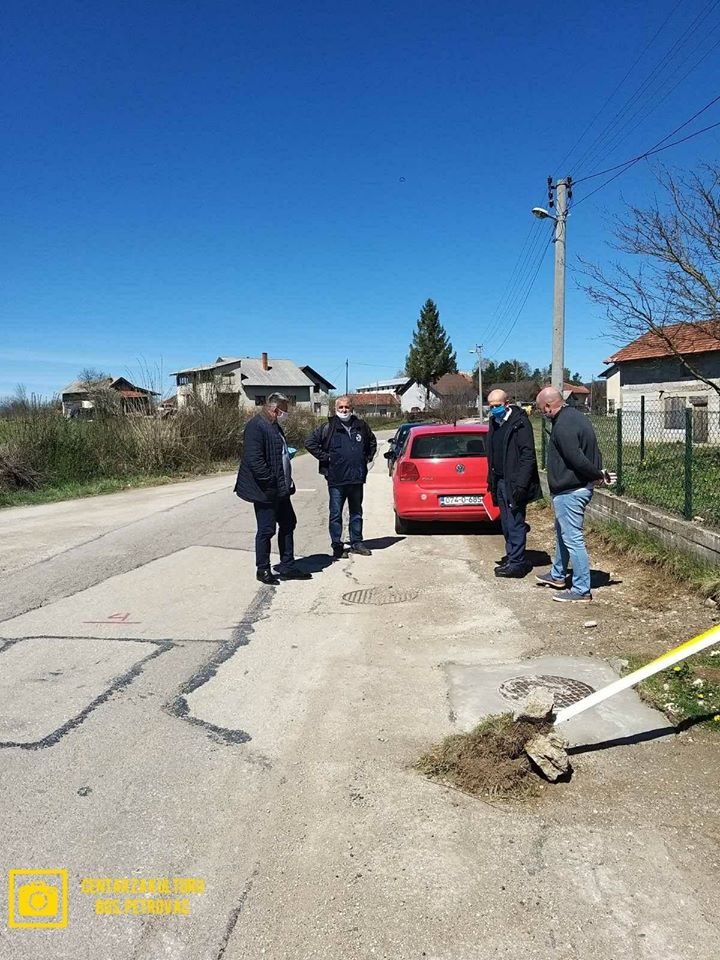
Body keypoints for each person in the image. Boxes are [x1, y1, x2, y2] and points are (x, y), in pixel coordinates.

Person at [535, 386, 612, 602]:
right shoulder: (576, 417)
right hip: (574, 488)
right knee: (563, 534)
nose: (542, 413)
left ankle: (581, 588)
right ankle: (558, 574)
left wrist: (596, 475)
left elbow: (575, 458)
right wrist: (596, 474)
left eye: (541, 409)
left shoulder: (563, 425)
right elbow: (590, 451)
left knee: (573, 539)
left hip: (571, 490)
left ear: (548, 406)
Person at [234, 393, 312, 585]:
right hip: (266, 490)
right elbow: (254, 460)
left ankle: (288, 566)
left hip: (281, 488)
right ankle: (263, 569)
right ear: (276, 410)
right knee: (266, 530)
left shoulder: (274, 425)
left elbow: (276, 453)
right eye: (285, 410)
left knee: (288, 523)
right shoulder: (256, 426)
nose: (287, 414)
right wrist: (271, 481)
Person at [305, 396, 377, 559]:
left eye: (347, 407)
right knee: (336, 514)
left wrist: (366, 458)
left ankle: (357, 542)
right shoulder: (328, 427)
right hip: (336, 479)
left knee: (356, 512)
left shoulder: (361, 426)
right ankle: (337, 545)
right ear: (335, 409)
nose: (344, 410)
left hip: (356, 478)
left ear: (352, 408)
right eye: (341, 407)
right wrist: (326, 457)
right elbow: (310, 443)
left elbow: (372, 442)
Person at [486, 389, 541, 578]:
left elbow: (528, 456)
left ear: (506, 404)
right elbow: (492, 452)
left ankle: (517, 563)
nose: (494, 409)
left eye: (497, 406)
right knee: (506, 523)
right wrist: (491, 479)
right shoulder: (494, 423)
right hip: (500, 481)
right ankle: (512, 558)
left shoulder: (519, 423)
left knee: (516, 522)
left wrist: (521, 485)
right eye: (491, 406)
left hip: (515, 482)